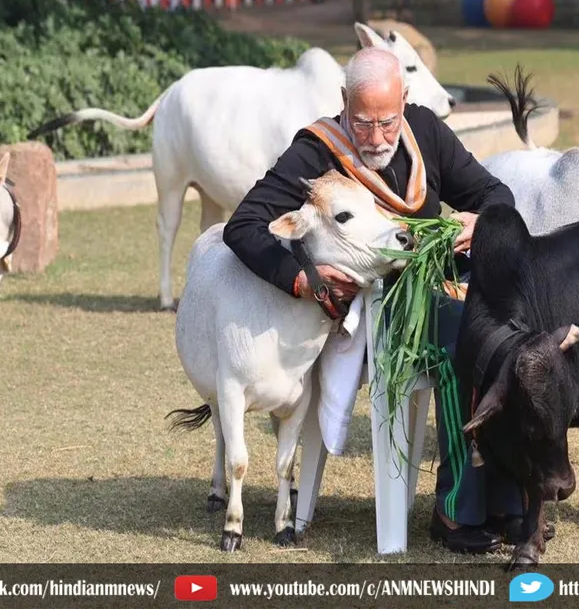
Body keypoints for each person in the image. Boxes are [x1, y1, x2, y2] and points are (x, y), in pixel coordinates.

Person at [222, 45, 522, 554]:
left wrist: (479, 221)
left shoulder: (425, 131)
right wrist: (304, 280)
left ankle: (505, 499)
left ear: (405, 101)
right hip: (374, 314)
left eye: (387, 121)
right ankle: (455, 511)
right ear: (344, 103)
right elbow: (244, 226)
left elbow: (496, 195)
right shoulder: (315, 152)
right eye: (363, 124)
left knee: (509, 332)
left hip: (436, 289)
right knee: (465, 338)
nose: (378, 138)